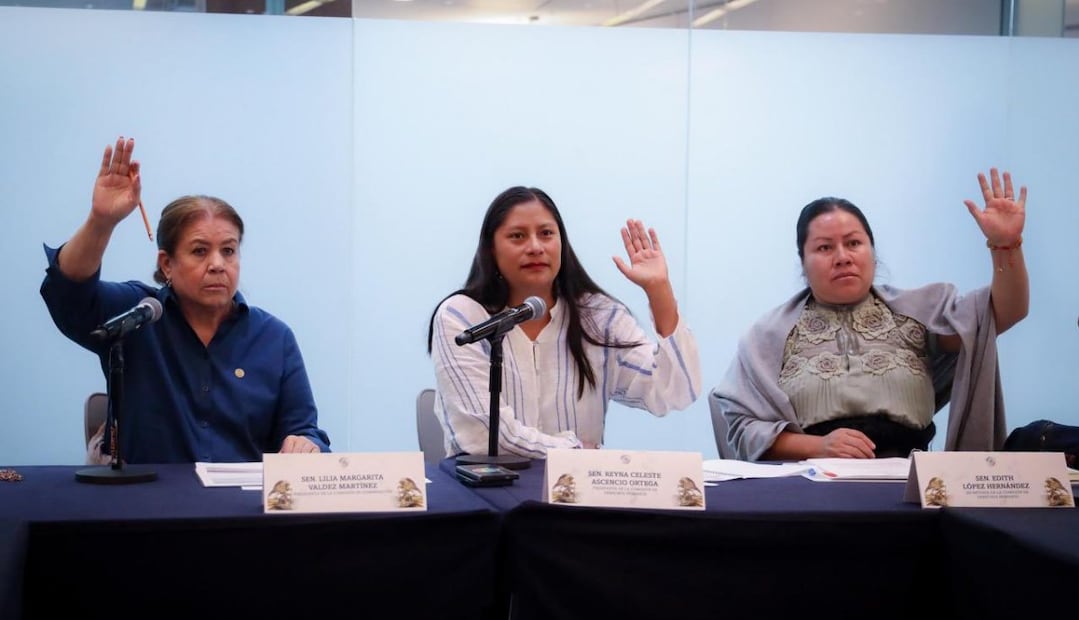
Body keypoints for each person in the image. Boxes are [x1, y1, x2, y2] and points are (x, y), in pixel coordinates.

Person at [41, 136, 330, 463]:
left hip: (240, 509)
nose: (218, 264)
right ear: (167, 264)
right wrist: (101, 221)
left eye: (229, 251)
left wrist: (306, 443)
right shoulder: (137, 315)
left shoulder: (274, 338)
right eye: (200, 251)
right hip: (147, 506)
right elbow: (70, 293)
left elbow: (303, 429)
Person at [711, 168, 1028, 461]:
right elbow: (742, 428)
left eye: (853, 243)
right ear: (803, 263)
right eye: (824, 248)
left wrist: (1006, 245)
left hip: (907, 482)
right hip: (809, 485)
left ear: (873, 254)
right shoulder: (767, 336)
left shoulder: (921, 312)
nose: (842, 257)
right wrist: (819, 447)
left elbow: (1002, 313)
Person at [427, 186, 701, 459]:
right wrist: (578, 452)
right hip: (490, 494)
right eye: (517, 236)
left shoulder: (598, 316)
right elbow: (484, 436)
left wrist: (659, 291)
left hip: (577, 497)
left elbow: (674, 392)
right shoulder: (463, 317)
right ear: (491, 249)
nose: (535, 247)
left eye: (546, 234)